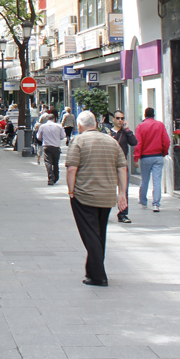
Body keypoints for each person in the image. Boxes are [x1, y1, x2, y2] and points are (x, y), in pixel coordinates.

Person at [66, 110, 128, 287]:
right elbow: (122, 167)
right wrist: (121, 193)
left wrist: (71, 191)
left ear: (79, 125)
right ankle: (92, 270)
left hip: (85, 195)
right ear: (96, 124)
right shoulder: (111, 141)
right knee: (100, 233)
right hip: (107, 195)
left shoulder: (78, 141)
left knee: (90, 234)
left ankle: (99, 275)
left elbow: (72, 169)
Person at [133, 106, 171, 213]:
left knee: (144, 180)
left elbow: (138, 144)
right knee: (157, 181)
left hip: (145, 157)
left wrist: (136, 157)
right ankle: (156, 204)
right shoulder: (160, 125)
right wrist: (164, 152)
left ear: (145, 115)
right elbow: (166, 141)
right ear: (154, 114)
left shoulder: (140, 126)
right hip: (158, 156)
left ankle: (143, 201)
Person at [108, 111, 137, 223]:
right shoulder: (107, 133)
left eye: (122, 118)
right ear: (113, 120)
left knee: (123, 190)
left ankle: (123, 214)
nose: (120, 120)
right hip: (109, 165)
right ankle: (105, 212)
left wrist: (128, 130)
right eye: (118, 118)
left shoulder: (125, 133)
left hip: (122, 165)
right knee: (109, 190)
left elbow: (134, 142)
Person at [36, 112, 66, 186]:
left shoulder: (42, 126)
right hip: (56, 147)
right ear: (54, 119)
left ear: (47, 119)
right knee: (56, 162)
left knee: (48, 162)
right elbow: (63, 136)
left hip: (46, 146)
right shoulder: (59, 126)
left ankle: (51, 177)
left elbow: (38, 137)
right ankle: (56, 176)